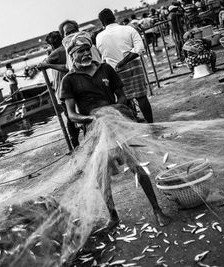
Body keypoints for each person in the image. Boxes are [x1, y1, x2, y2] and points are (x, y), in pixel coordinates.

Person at [60, 33, 171, 228]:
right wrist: (92, 118)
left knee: (137, 167)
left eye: (87, 50)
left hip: (117, 126)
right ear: (72, 55)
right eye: (80, 52)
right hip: (96, 132)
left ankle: (157, 210)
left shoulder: (105, 69)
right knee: (102, 176)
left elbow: (121, 95)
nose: (86, 54)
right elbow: (71, 114)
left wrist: (115, 109)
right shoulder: (69, 80)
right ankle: (113, 216)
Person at [96, 8, 154, 123]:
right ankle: (151, 124)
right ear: (114, 18)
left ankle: (133, 124)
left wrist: (118, 63)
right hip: (133, 65)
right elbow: (139, 49)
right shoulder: (128, 29)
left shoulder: (99, 37)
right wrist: (123, 61)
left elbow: (103, 56)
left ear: (102, 22)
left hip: (114, 70)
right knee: (141, 96)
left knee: (124, 98)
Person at [36, 31, 80, 148]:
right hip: (74, 85)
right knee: (76, 113)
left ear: (52, 44)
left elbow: (42, 65)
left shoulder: (57, 52)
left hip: (64, 89)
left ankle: (74, 144)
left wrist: (47, 61)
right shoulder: (65, 48)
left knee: (70, 116)